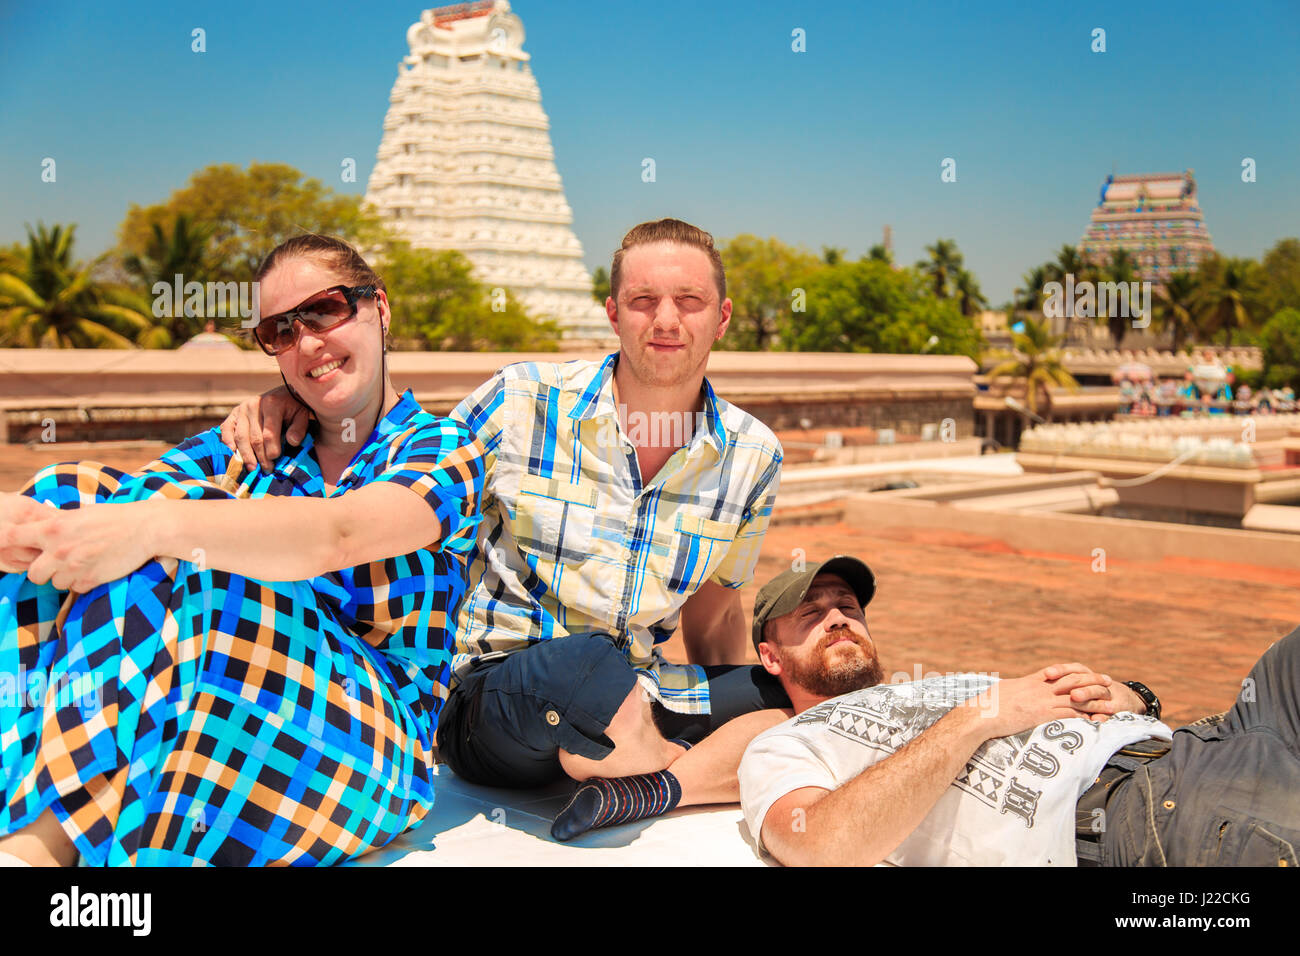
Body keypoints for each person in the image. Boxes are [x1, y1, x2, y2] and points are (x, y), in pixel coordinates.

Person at [218, 219, 788, 841]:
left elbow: (715, 614)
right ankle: (660, 759)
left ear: (723, 316)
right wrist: (297, 396)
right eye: (643, 301)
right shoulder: (522, 402)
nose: (666, 321)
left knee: (804, 688)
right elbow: (404, 456)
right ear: (613, 313)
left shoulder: (751, 454)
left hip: (635, 686)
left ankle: (654, 784)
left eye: (690, 302)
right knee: (587, 668)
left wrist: (761, 696)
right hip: (491, 695)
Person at [0, 235, 486, 866]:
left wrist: (157, 528)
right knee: (73, 492)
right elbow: (112, 508)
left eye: (325, 310)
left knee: (192, 537)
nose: (307, 342)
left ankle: (37, 850)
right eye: (280, 331)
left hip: (369, 735)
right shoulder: (258, 444)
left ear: (379, 310)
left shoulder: (441, 450)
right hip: (225, 703)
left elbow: (336, 534)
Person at [738, 556, 1300, 866]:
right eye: (810, 615)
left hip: (1219, 740)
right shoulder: (786, 743)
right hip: (1135, 810)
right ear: (769, 654)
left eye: (848, 606)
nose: (838, 618)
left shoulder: (927, 687)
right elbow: (818, 846)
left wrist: (1131, 694)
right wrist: (982, 716)